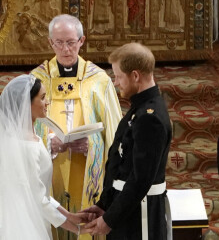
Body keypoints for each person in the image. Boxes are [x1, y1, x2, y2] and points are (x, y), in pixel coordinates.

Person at [31, 14, 122, 240]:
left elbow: (115, 133)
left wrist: (93, 145)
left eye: (71, 42)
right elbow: (23, 129)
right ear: (50, 42)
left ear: (82, 40)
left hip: (89, 167)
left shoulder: (99, 80)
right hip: (51, 169)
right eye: (59, 42)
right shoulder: (36, 80)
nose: (65, 49)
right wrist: (48, 143)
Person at [82, 43, 172, 240]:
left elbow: (141, 180)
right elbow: (119, 164)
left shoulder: (150, 117)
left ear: (135, 76)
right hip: (126, 209)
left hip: (140, 216)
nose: (116, 82)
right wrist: (104, 204)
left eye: (119, 76)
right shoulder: (140, 108)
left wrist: (110, 220)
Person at [0, 75, 90, 239]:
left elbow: (41, 194)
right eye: (42, 98)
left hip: (31, 217)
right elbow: (39, 200)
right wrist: (78, 229)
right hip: (24, 224)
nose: (47, 102)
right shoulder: (26, 144)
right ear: (26, 104)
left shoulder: (29, 135)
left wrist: (70, 216)